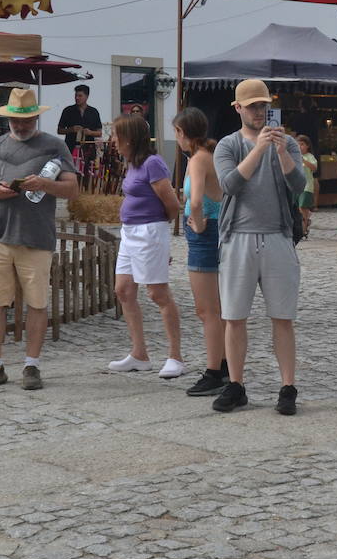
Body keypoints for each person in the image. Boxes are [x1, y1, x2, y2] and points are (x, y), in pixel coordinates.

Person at [0, 89, 79, 391]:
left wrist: (45, 184)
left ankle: (32, 365)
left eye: (26, 120)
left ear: (36, 117)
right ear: (9, 117)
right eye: (16, 120)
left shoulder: (54, 145)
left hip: (36, 237)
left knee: (37, 304)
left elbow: (72, 189)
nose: (21, 125)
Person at [213, 79, 307, 414]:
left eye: (263, 105)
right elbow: (230, 185)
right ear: (238, 108)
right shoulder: (227, 145)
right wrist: (258, 149)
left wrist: (281, 151)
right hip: (238, 235)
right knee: (234, 316)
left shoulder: (288, 143)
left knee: (283, 316)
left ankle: (287, 386)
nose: (259, 111)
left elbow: (299, 185)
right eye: (252, 105)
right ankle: (236, 384)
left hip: (278, 235)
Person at [106, 113, 184, 378]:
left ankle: (175, 356)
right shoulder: (132, 164)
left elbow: (172, 204)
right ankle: (139, 354)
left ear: (129, 137)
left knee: (157, 293)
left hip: (149, 231)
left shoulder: (153, 164)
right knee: (124, 290)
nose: (113, 140)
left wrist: (160, 239)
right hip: (130, 233)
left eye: (116, 134)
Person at [174, 107, 229, 396]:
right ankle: (223, 363)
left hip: (205, 234)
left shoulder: (197, 160)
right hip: (217, 230)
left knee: (207, 309)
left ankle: (214, 371)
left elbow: (196, 199)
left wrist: (195, 222)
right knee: (216, 308)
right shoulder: (212, 154)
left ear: (182, 133)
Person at [57, 84, 103, 172]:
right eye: (76, 95)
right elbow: (59, 130)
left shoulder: (94, 112)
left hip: (88, 150)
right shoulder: (68, 110)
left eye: (80, 96)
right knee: (70, 172)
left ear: (87, 96)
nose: (77, 98)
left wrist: (90, 132)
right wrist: (71, 129)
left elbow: (99, 132)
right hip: (70, 148)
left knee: (88, 174)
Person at [296, 134, 318, 236]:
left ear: (307, 146)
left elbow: (314, 168)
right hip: (296, 187)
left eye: (302, 144)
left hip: (307, 186)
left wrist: (304, 160)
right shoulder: (294, 156)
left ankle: (303, 230)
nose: (300, 146)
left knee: (302, 208)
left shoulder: (310, 157)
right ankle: (303, 224)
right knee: (297, 208)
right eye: (298, 144)